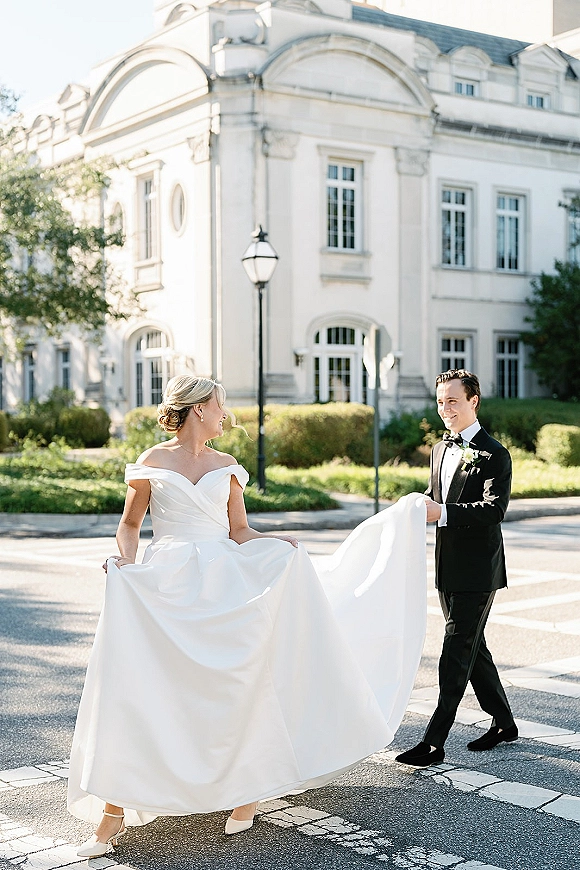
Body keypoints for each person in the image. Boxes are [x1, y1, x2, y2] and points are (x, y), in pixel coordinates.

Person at [68, 375, 427, 857]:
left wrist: (276, 543)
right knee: (141, 685)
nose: (224, 414)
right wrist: (125, 564)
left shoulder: (228, 466)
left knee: (236, 686)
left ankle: (245, 791)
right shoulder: (152, 462)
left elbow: (239, 530)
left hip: (223, 581)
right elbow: (130, 526)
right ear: (198, 410)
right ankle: (114, 809)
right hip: (167, 582)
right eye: (219, 405)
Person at [395, 369, 517, 768]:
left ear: (473, 401)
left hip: (480, 571)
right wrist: (416, 505)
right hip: (446, 566)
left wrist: (442, 511)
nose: (445, 409)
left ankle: (434, 741)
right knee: (473, 647)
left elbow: (493, 510)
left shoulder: (494, 453)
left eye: (453, 401)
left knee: (455, 649)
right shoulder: (439, 450)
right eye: (441, 401)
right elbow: (436, 496)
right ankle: (504, 722)